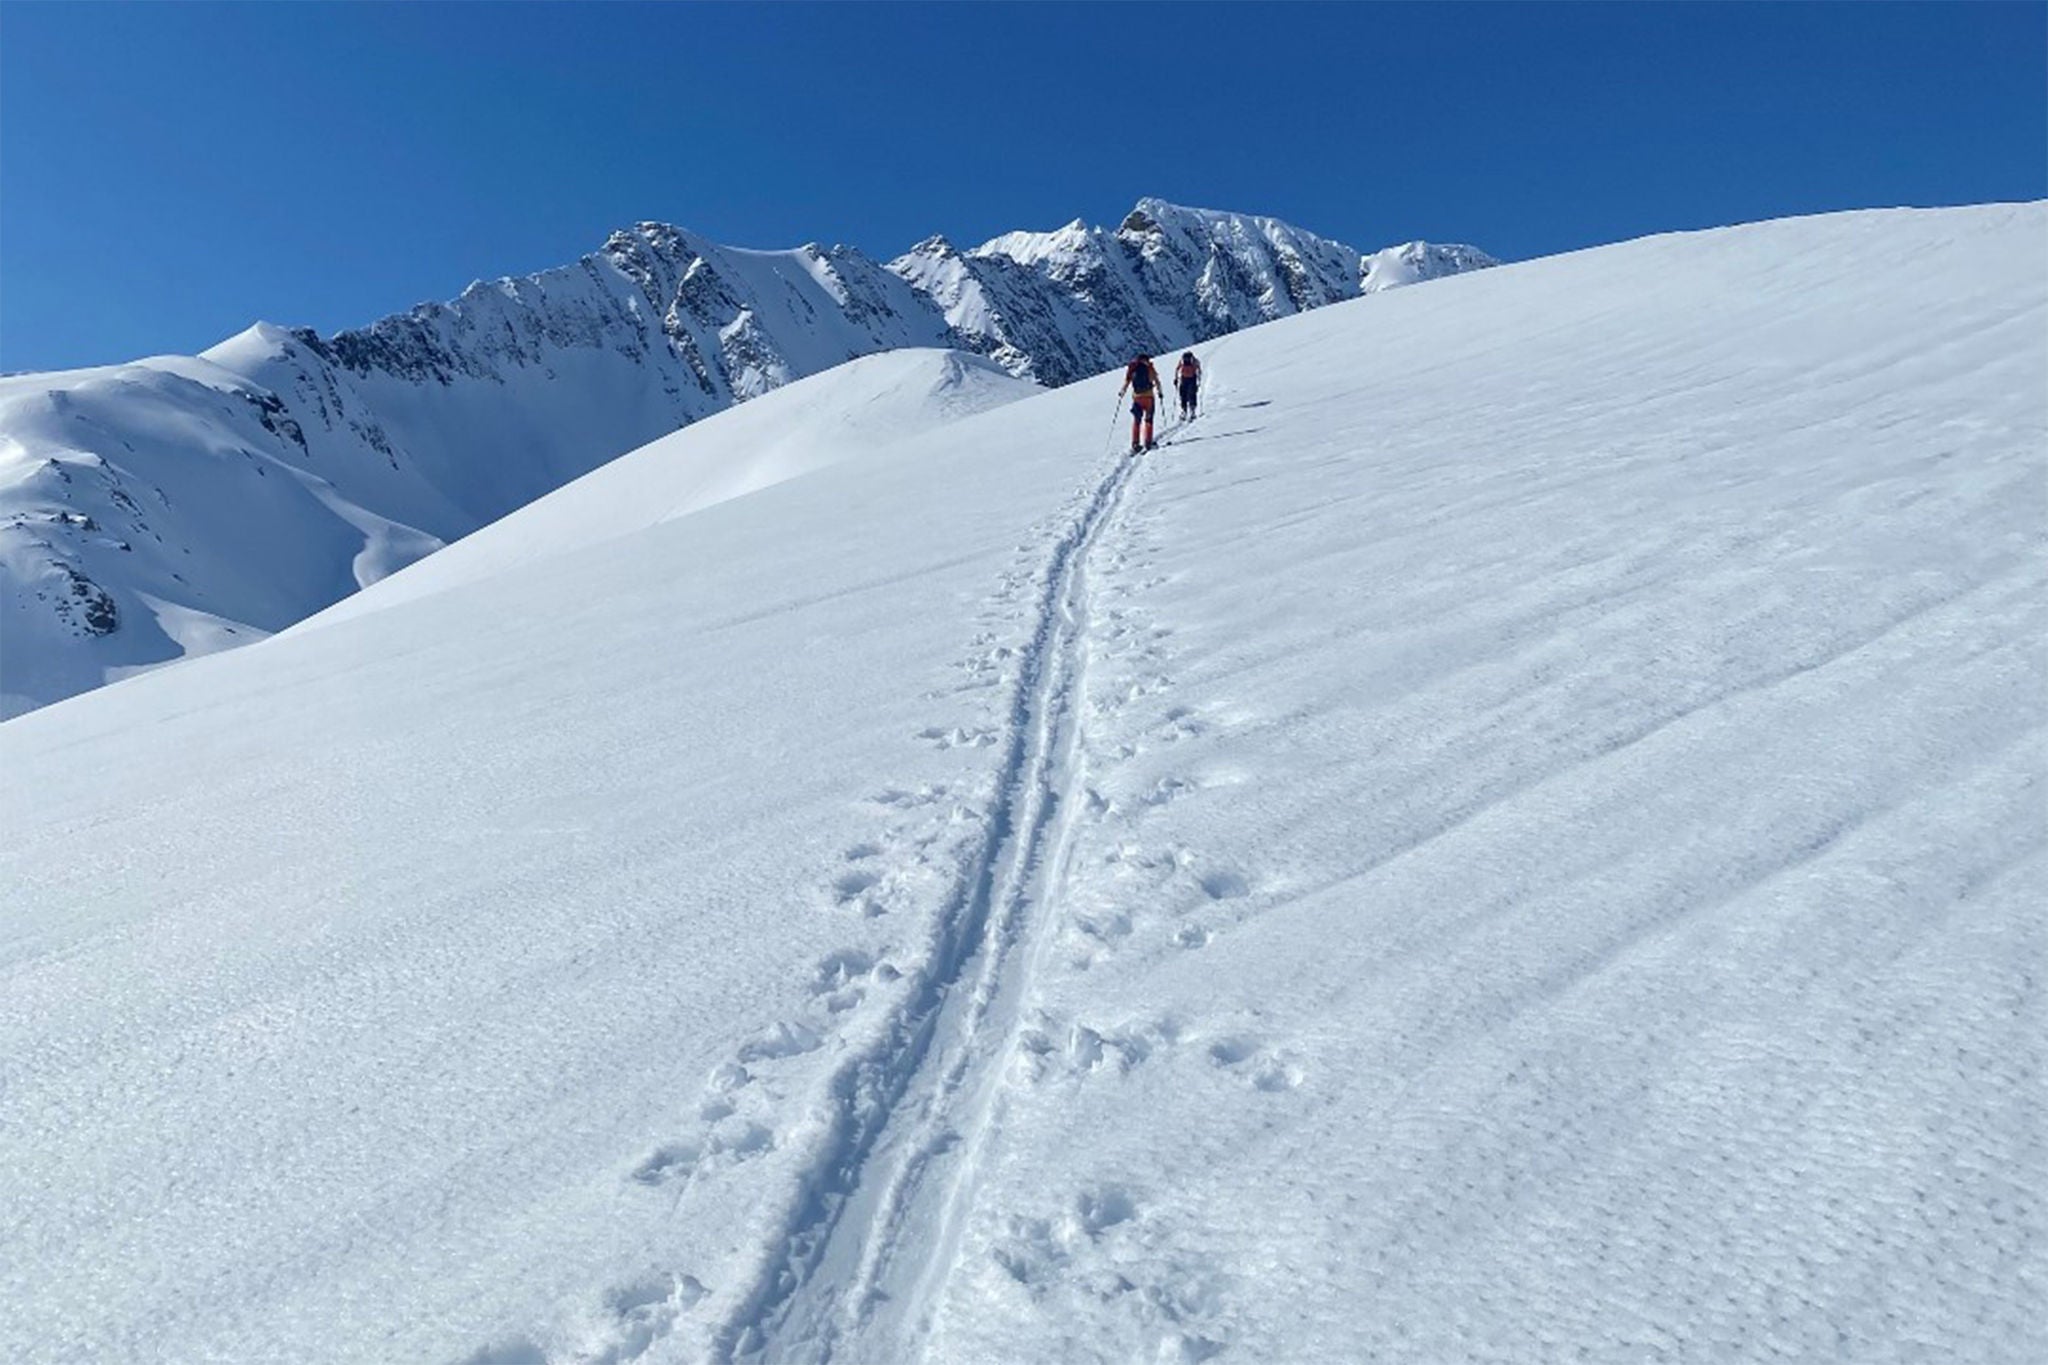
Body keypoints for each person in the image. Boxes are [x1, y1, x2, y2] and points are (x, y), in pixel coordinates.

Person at [1121, 352, 1162, 453]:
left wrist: (1122, 392)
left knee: (1136, 421)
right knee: (1148, 420)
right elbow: (1156, 381)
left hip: (1137, 398)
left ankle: (1135, 443)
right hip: (1148, 397)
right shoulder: (1149, 368)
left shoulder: (1132, 368)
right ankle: (1148, 443)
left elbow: (1127, 381)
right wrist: (1160, 392)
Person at [1175, 351, 1201, 420]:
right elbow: (1198, 370)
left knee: (1183, 395)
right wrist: (1199, 380)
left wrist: (1176, 379)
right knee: (1192, 394)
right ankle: (1192, 411)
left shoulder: (1182, 361)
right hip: (1192, 379)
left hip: (1184, 379)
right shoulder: (1195, 361)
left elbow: (1177, 369)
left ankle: (1184, 411)